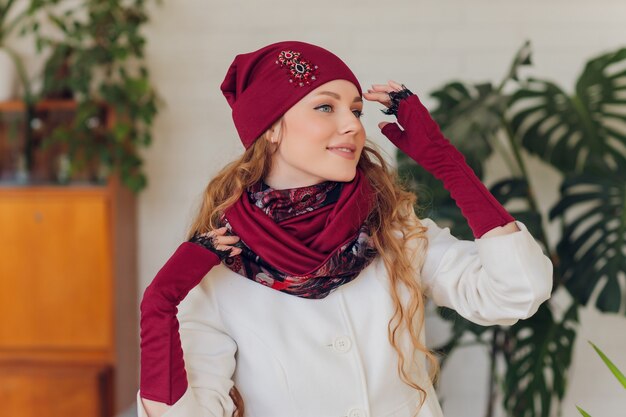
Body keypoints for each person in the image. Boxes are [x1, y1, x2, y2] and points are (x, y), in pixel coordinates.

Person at [136, 40, 553, 417]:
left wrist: (448, 163)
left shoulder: (392, 229)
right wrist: (159, 304)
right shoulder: (218, 266)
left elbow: (515, 293)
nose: (353, 125)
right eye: (325, 107)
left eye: (355, 109)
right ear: (272, 128)